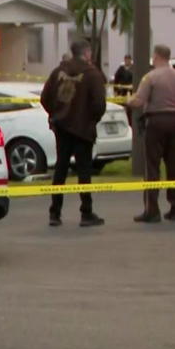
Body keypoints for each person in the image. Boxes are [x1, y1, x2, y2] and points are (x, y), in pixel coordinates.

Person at [40, 40, 107, 227]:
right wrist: (91, 119)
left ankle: (55, 212)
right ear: (86, 54)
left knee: (60, 169)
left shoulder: (58, 72)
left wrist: (56, 114)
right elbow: (99, 105)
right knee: (84, 171)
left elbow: (44, 98)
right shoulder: (93, 75)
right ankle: (86, 213)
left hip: (62, 127)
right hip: (83, 129)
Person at [127, 44, 175, 223]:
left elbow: (139, 100)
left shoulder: (150, 77)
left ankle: (152, 210)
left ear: (156, 56)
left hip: (155, 122)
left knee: (152, 167)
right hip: (174, 122)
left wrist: (129, 100)